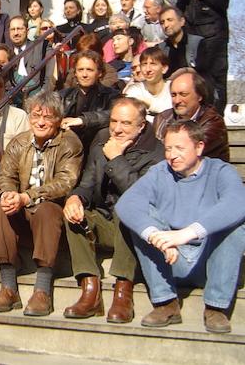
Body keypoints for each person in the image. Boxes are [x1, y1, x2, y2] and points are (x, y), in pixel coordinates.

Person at [116, 120, 245, 333]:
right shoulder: (160, 172)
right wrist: (156, 235)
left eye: (179, 148)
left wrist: (186, 233)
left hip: (209, 260)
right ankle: (166, 303)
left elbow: (237, 202)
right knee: (143, 219)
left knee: (235, 223)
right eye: (168, 148)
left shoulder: (220, 171)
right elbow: (127, 203)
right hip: (171, 259)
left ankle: (215, 307)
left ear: (199, 147)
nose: (172, 155)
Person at [63, 97, 164, 323]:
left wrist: (117, 158)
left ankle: (123, 291)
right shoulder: (102, 141)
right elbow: (87, 183)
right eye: (113, 122)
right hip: (107, 223)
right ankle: (90, 290)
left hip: (137, 230)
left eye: (126, 123)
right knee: (73, 215)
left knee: (126, 208)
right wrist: (75, 198)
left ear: (141, 126)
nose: (117, 129)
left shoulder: (156, 152)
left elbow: (143, 196)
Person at [0, 91, 83, 316]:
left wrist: (27, 196)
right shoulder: (20, 142)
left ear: (58, 120)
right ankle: (8, 287)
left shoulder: (69, 143)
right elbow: (5, 175)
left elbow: (65, 182)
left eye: (47, 117)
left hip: (51, 209)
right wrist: (9, 194)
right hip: (22, 208)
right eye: (36, 115)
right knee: (1, 210)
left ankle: (42, 290)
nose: (40, 122)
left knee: (47, 211)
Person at [177, 0, 230, 113]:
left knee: (216, 80)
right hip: (193, 41)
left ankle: (216, 116)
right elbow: (179, 10)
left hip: (214, 40)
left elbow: (222, 4)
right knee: (196, 81)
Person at [153, 68, 229, 162]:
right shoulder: (162, 119)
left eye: (183, 94)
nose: (177, 101)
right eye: (173, 95)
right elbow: (153, 153)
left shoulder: (213, 122)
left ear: (199, 96)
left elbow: (189, 153)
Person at [60, 50, 119, 152]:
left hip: (98, 149)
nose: (84, 74)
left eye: (90, 70)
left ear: (99, 73)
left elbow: (114, 115)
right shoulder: (63, 95)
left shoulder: (111, 96)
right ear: (75, 73)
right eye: (80, 70)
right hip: (67, 148)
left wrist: (83, 120)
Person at [123, 46, 172, 122]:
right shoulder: (134, 90)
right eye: (144, 64)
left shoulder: (173, 88)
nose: (148, 69)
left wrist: (149, 104)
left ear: (164, 68)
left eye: (153, 64)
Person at [158, 6, 205, 78]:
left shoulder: (198, 43)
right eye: (162, 22)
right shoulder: (160, 49)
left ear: (182, 21)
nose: (166, 25)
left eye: (170, 20)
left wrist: (185, 71)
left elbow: (205, 72)